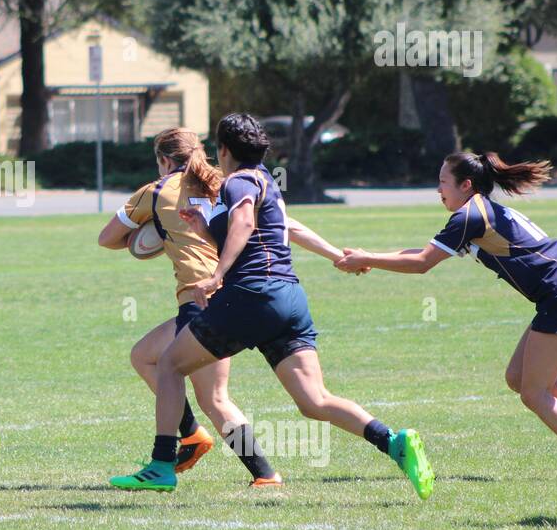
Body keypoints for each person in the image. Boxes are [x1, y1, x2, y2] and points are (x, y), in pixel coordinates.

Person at [110, 113, 435, 499]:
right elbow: (286, 228)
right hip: (289, 298)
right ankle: (394, 441)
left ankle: (163, 464)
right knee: (314, 400)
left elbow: (244, 224)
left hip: (249, 295)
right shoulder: (266, 182)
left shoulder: (239, 181)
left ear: (224, 150)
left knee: (168, 364)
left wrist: (217, 277)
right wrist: (335, 255)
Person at [337, 152, 557, 481]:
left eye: (443, 182)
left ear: (466, 185)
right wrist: (370, 258)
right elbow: (422, 253)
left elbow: (421, 263)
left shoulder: (470, 216)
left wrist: (368, 258)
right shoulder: (476, 213)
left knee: (534, 392)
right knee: (518, 378)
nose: (438, 189)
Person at [98, 128, 278, 486]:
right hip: (235, 292)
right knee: (145, 355)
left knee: (211, 395)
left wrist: (153, 234)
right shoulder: (224, 183)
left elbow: (107, 239)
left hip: (201, 298)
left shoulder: (156, 190)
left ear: (164, 160)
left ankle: (259, 473)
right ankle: (192, 435)